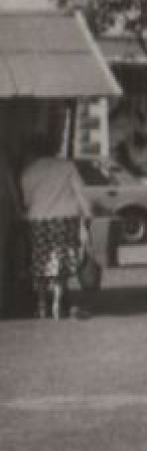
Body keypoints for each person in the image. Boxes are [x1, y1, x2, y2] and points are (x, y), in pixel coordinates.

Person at [19, 136, 93, 319]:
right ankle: (57, 303)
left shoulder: (28, 171)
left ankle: (42, 303)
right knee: (60, 261)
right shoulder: (66, 167)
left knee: (40, 260)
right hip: (64, 219)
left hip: (38, 220)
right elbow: (81, 193)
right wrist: (87, 215)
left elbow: (26, 200)